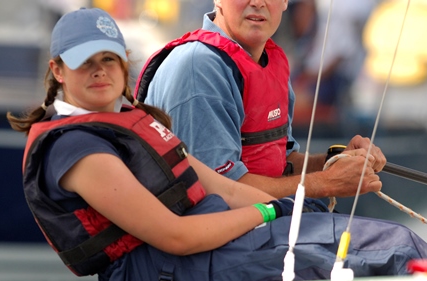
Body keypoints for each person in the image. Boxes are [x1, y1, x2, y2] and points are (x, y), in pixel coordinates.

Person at [8, 8, 427, 281]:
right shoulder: (77, 150)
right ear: (58, 71)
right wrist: (273, 212)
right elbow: (177, 236)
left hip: (202, 253)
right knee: (393, 245)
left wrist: (328, 166)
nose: (100, 71)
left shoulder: (130, 122)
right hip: (173, 278)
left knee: (376, 240)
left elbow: (223, 188)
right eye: (85, 63)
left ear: (125, 66)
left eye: (109, 59)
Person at [135, 0, 384, 200]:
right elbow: (219, 192)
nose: (257, 3)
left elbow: (282, 164)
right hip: (209, 244)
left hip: (258, 226)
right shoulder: (199, 67)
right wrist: (326, 183)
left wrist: (335, 160)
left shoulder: (270, 60)